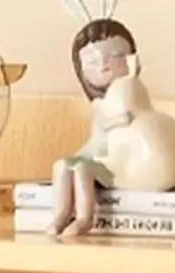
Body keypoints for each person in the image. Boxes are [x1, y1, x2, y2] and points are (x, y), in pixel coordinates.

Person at [49, 16, 138, 236]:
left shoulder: (130, 98)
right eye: (91, 61)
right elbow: (103, 127)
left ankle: (84, 218)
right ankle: (60, 215)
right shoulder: (99, 104)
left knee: (82, 169)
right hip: (93, 155)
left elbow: (124, 121)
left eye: (116, 56)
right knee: (61, 166)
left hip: (113, 163)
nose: (103, 65)